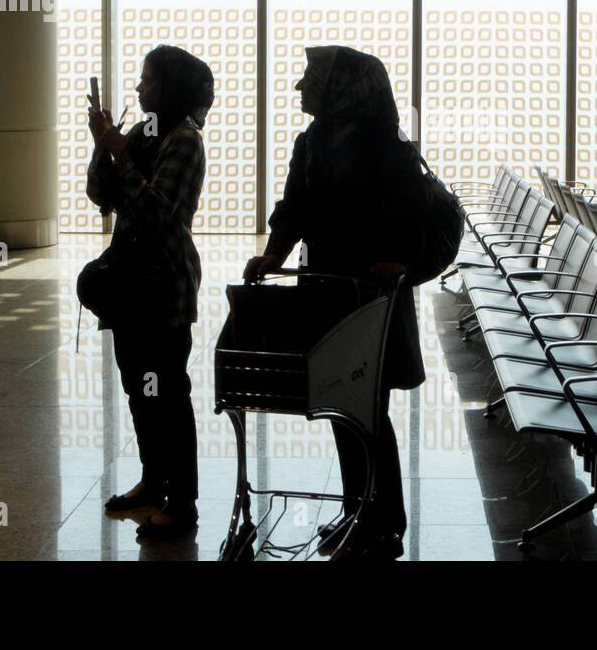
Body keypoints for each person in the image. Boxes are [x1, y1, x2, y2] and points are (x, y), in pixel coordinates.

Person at [243, 45, 425, 561]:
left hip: (369, 300)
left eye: (312, 78)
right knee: (339, 406)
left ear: (346, 88)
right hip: (326, 291)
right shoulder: (314, 141)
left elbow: (413, 220)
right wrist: (274, 252)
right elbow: (292, 207)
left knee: (366, 410)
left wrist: (398, 260)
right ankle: (356, 510)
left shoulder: (388, 149)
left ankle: (384, 521)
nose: (301, 87)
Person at [86, 44, 214, 542]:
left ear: (171, 88)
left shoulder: (184, 140)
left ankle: (182, 501)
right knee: (139, 390)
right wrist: (104, 145)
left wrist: (120, 155)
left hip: (163, 284)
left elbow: (156, 212)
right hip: (130, 284)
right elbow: (102, 194)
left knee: (168, 394)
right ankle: (154, 481)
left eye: (148, 80)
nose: (138, 88)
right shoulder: (142, 134)